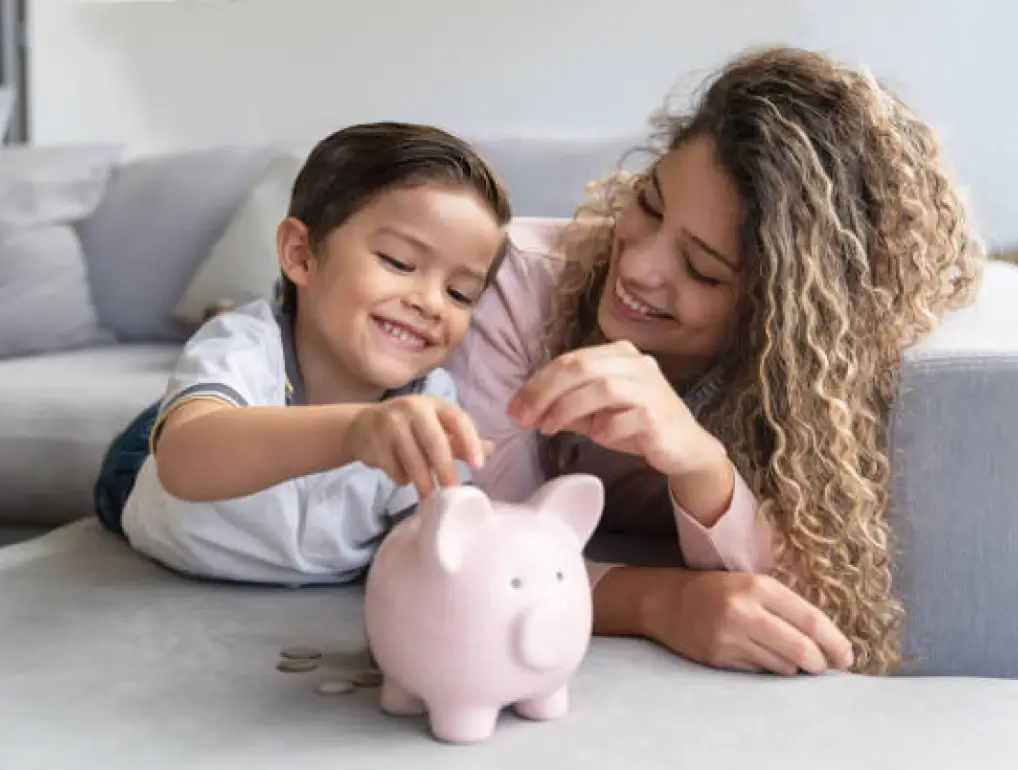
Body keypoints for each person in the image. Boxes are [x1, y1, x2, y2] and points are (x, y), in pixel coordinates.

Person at [444, 46, 985, 677]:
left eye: (701, 269)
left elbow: (821, 599)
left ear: (773, 312)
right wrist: (661, 601)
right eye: (648, 204)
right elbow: (481, 553)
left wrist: (699, 461)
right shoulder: (512, 290)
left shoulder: (814, 378)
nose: (640, 266)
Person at [93, 122, 512, 585]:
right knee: (169, 429)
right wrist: (354, 431)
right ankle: (186, 393)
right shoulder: (245, 346)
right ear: (300, 254)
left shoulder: (431, 401)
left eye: (459, 293)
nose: (430, 303)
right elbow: (183, 461)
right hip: (157, 475)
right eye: (398, 263)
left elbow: (434, 547)